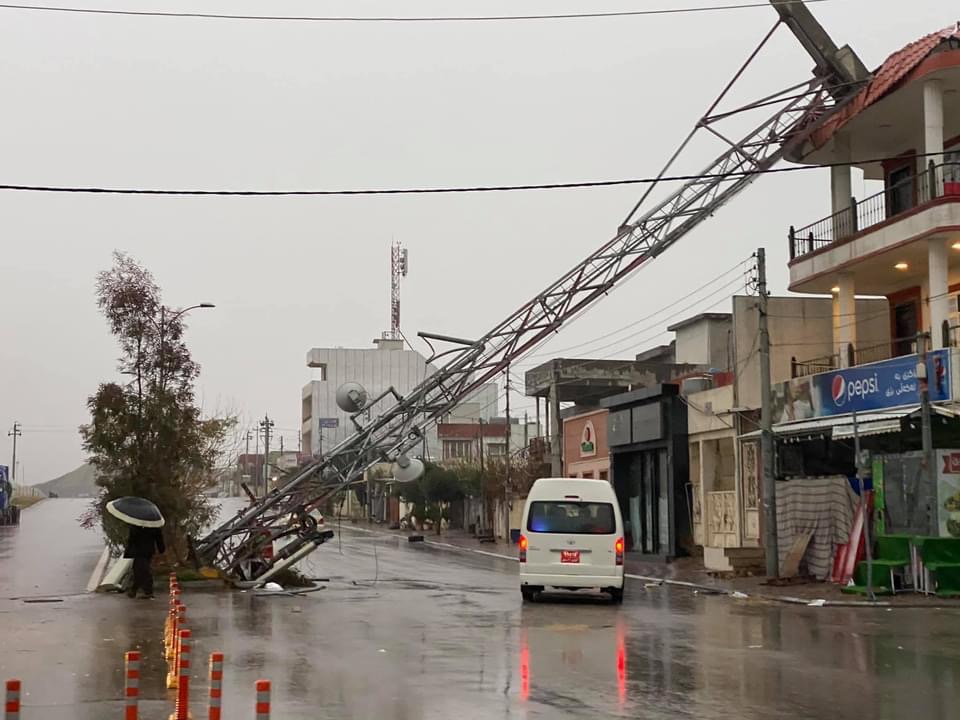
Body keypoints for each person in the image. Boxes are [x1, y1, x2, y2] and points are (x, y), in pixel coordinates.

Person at [124, 525, 165, 599]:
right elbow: (131, 539)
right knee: (138, 570)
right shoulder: (138, 526)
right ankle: (134, 590)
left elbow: (159, 538)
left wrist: (161, 548)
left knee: (143, 570)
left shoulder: (150, 526)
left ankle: (147, 591)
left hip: (145, 551)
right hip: (140, 551)